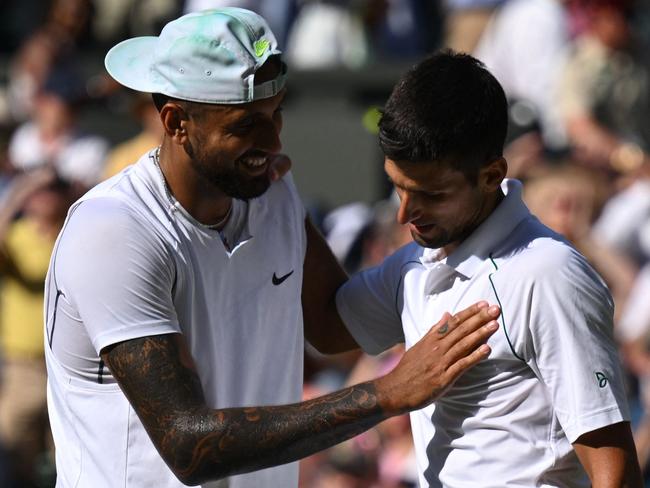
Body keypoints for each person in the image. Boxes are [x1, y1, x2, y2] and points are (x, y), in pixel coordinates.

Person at [44, 9, 500, 488]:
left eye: (276, 112)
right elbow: (187, 444)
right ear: (177, 121)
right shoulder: (113, 231)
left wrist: (465, 250)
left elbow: (332, 324)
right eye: (246, 125)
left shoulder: (273, 193)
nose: (274, 138)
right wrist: (386, 394)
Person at [333, 50, 643, 486]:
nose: (405, 215)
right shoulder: (416, 262)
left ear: (490, 174)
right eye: (397, 187)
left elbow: (616, 472)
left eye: (432, 194)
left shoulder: (549, 274)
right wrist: (277, 196)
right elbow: (329, 329)